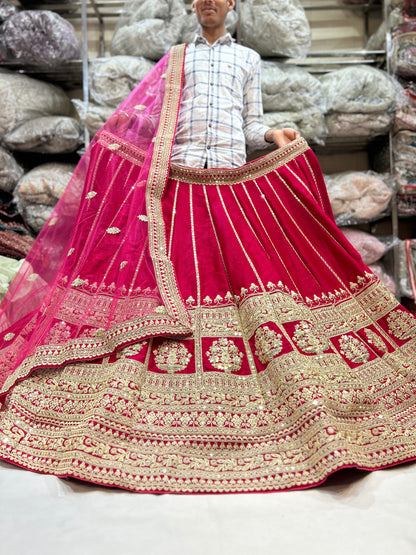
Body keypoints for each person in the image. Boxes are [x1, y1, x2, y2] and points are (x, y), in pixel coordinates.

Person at [0, 0, 416, 494]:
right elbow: (152, 124)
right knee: (162, 290)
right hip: (173, 189)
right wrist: (120, 147)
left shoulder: (247, 60)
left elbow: (248, 123)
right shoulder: (176, 58)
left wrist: (272, 133)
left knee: (245, 286)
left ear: (231, 5)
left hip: (230, 184)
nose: (210, 4)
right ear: (196, 7)